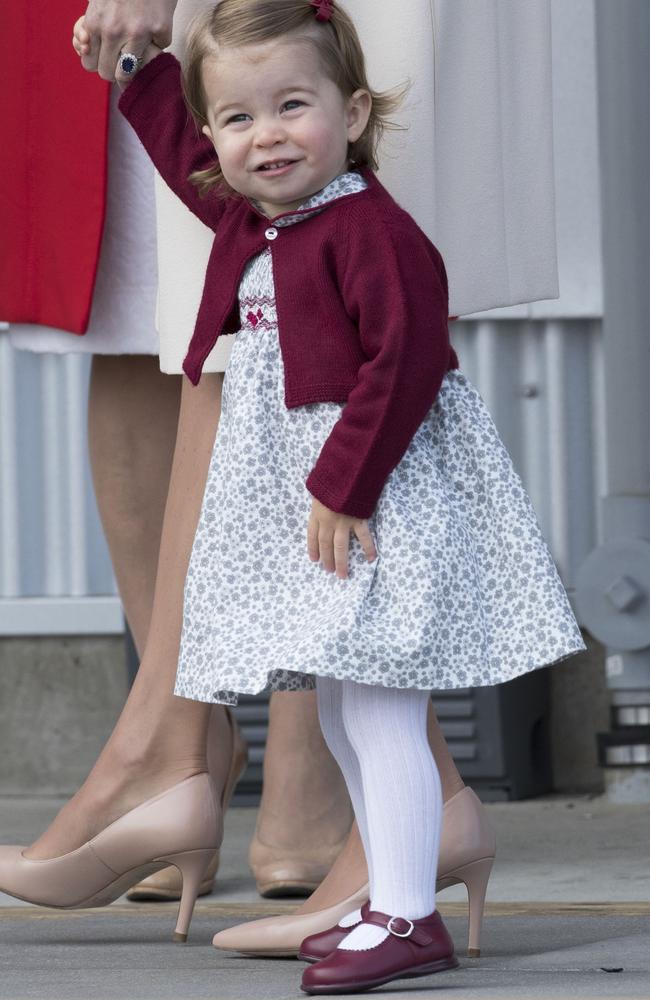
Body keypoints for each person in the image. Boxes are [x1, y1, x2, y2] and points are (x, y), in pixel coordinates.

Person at [66, 2, 582, 993]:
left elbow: (410, 357)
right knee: (348, 712)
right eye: (238, 118)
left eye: (291, 107)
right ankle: (392, 898)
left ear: (350, 114)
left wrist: (344, 486)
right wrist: (136, 73)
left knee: (380, 711)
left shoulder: (367, 229)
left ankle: (403, 916)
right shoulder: (260, 220)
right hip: (333, 506)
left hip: (372, 498)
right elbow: (182, 158)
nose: (265, 136)